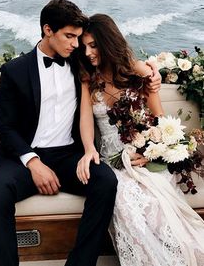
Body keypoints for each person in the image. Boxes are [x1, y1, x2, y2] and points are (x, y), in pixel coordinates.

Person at [0, 0, 118, 266]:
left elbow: (118, 58)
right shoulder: (15, 71)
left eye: (78, 37)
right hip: (25, 158)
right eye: (69, 36)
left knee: (106, 181)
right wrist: (33, 162)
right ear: (47, 30)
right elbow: (6, 128)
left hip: (69, 156)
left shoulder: (81, 62)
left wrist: (150, 73)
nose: (75, 44)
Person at [78, 13, 204, 266]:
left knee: (152, 203)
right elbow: (86, 120)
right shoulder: (88, 79)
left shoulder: (140, 71)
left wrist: (150, 153)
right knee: (124, 199)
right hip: (111, 161)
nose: (88, 52)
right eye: (84, 47)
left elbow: (159, 119)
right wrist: (89, 149)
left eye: (93, 45)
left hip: (143, 156)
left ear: (108, 42)